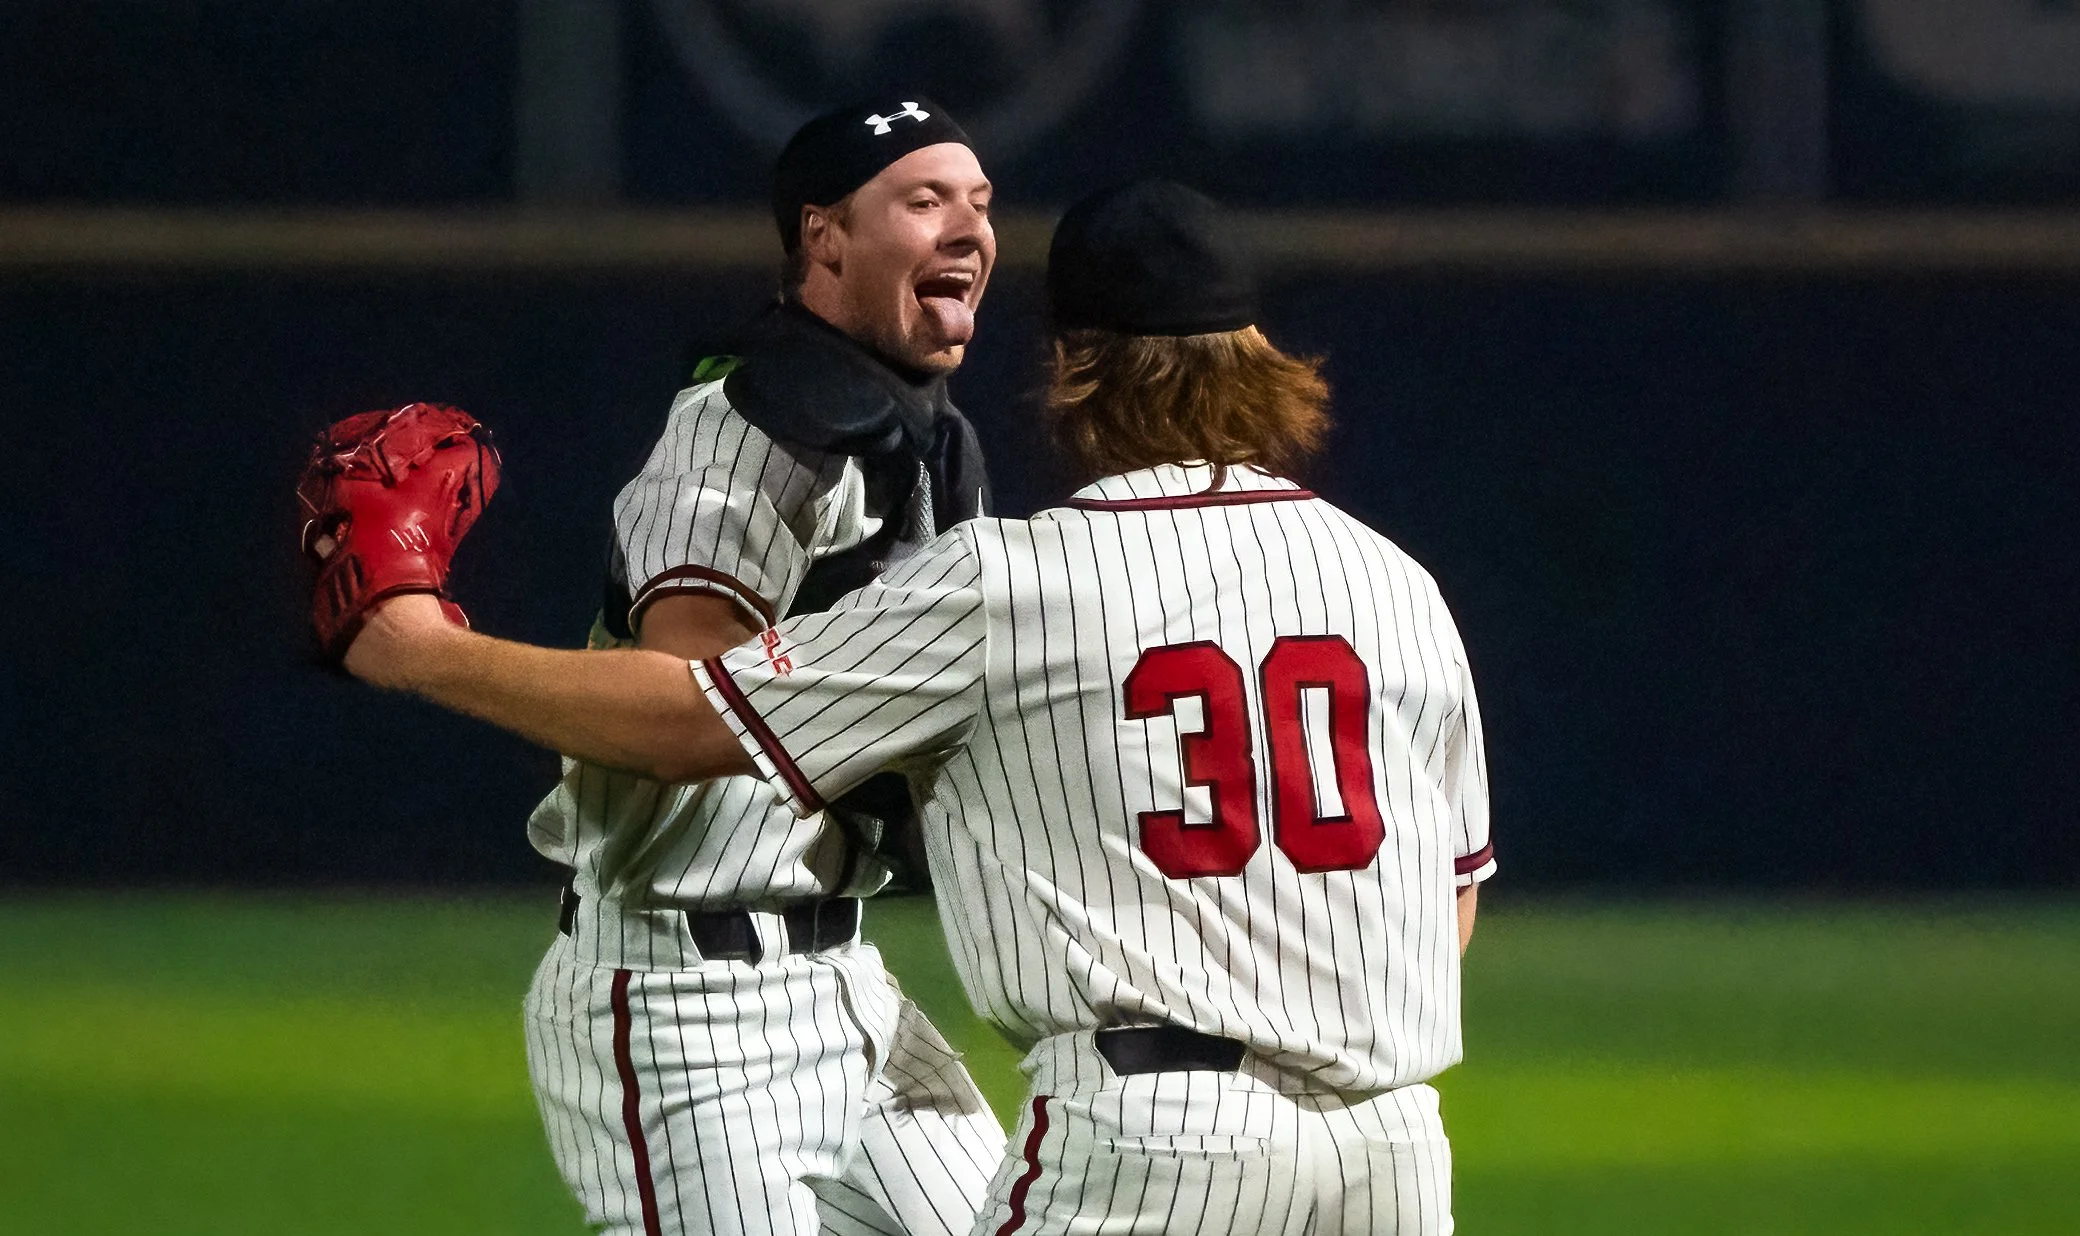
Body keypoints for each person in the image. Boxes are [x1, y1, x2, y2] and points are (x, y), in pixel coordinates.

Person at [324, 180, 1494, 1235]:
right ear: (1262, 353)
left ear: (1074, 360)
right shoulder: (1394, 583)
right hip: (1390, 1153)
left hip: (1155, 1145)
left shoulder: (1010, 581)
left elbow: (687, 721)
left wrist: (419, 647)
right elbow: (1448, 906)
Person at [447, 96, 1011, 1236]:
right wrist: (424, 654)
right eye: (922, 198)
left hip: (845, 987)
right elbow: (681, 704)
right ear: (824, 237)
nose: (966, 225)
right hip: (684, 1001)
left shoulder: (920, 437)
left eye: (979, 203)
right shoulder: (748, 426)